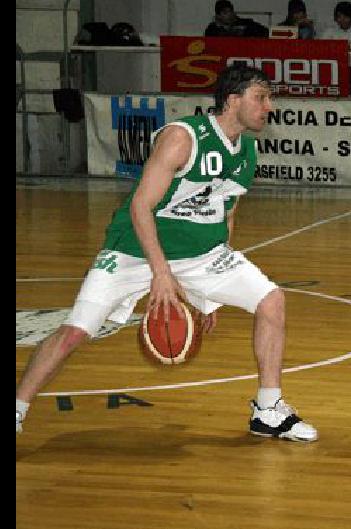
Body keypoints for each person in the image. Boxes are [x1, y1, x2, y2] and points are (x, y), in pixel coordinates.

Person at [15, 65, 317, 443]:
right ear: (233, 99)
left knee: (271, 301)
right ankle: (18, 407)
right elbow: (141, 207)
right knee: (75, 332)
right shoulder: (182, 138)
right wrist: (161, 274)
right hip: (134, 250)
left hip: (202, 253)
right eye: (261, 97)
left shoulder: (247, 151)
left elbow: (226, 213)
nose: (269, 106)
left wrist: (208, 291)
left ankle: (268, 410)